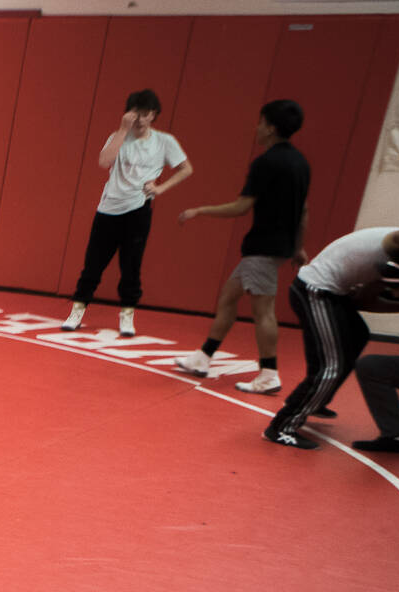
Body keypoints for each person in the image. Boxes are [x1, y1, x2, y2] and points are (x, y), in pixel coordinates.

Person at [175, 100, 309, 394]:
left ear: (271, 128)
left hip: (262, 247)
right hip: (278, 247)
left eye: (260, 122)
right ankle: (203, 357)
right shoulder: (301, 163)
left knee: (264, 312)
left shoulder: (265, 163)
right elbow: (304, 210)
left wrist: (200, 210)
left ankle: (269, 373)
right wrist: (298, 247)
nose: (257, 128)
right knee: (228, 298)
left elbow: (240, 207)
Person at [263, 224, 399, 450]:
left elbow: (360, 302)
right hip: (316, 289)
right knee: (331, 366)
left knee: (357, 335)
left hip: (337, 294)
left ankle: (317, 400)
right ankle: (282, 426)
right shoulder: (398, 249)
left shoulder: (393, 266)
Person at [61, 90, 191, 337]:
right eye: (135, 114)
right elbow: (103, 162)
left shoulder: (164, 141)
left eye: (145, 114)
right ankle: (77, 310)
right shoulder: (117, 136)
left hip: (138, 209)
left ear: (154, 115)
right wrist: (122, 131)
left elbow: (186, 168)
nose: (140, 119)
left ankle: (127, 315)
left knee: (131, 266)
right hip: (108, 208)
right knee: (93, 265)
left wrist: (160, 188)